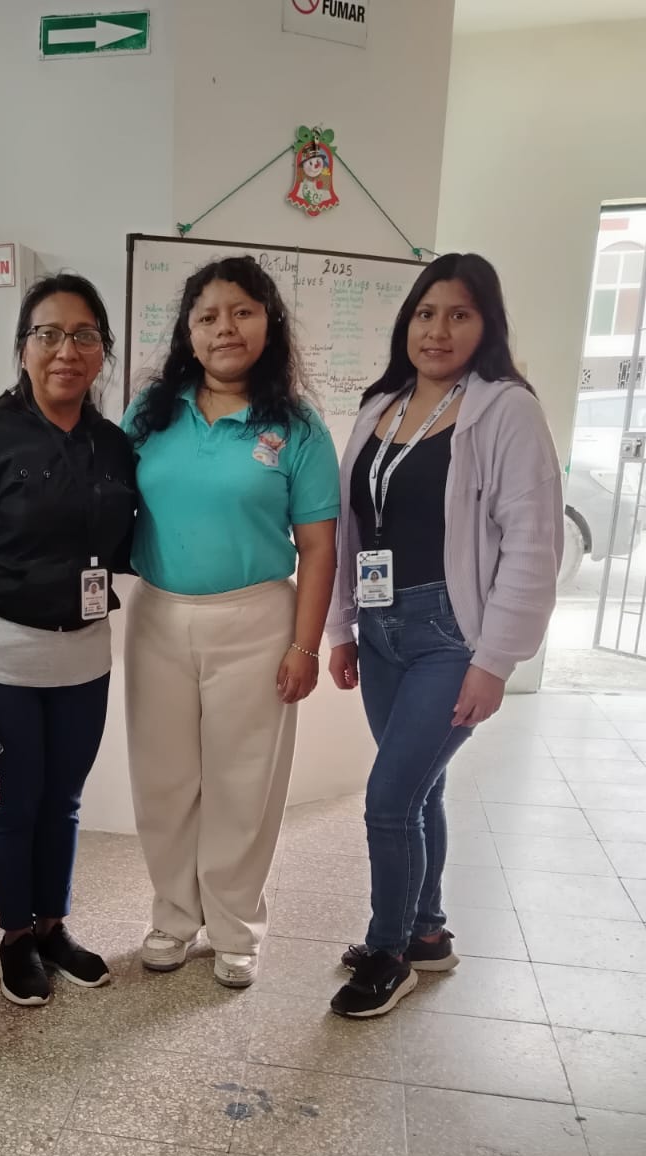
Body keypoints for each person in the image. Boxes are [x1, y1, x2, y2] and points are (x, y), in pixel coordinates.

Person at [325, 252, 562, 1019]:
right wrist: (341, 626)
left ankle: (387, 951)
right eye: (426, 313)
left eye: (459, 314)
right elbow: (351, 526)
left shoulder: (506, 409)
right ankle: (426, 933)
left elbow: (533, 542)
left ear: (486, 324)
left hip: (449, 632)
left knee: (388, 799)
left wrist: (495, 661)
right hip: (380, 625)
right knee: (421, 787)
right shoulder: (381, 403)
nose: (438, 329)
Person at [0, 273, 136, 1007]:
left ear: (102, 351)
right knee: (8, 800)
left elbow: (129, 545)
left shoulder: (113, 446)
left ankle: (51, 926)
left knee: (63, 801)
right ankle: (15, 938)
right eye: (49, 334)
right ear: (23, 348)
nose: (66, 350)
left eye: (84, 335)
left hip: (86, 662)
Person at [123, 255, 340, 987]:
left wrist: (305, 645)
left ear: (268, 324)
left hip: (257, 620)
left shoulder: (297, 427)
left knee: (244, 781)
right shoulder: (150, 415)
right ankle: (172, 916)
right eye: (208, 316)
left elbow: (318, 547)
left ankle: (236, 926)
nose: (226, 328)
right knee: (163, 778)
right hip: (158, 616)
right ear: (187, 332)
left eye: (243, 311)